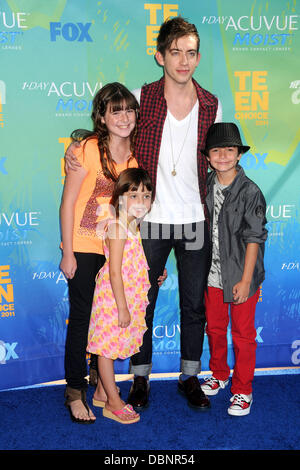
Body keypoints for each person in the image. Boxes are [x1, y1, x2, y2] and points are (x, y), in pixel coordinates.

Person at [65, 16, 222, 410]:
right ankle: (140, 379)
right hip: (147, 219)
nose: (183, 61)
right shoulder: (142, 96)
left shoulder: (211, 104)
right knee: (140, 302)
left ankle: (189, 376)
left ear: (198, 58)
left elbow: (220, 158)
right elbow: (111, 127)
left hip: (195, 218)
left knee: (194, 303)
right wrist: (78, 140)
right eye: (175, 53)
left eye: (190, 53)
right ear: (160, 56)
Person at [60, 82, 140, 423]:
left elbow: (130, 215)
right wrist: (67, 251)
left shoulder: (133, 158)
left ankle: (98, 386)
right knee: (81, 319)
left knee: (102, 321)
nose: (123, 117)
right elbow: (67, 202)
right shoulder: (84, 149)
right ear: (102, 117)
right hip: (82, 244)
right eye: (115, 110)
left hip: (114, 249)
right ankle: (74, 392)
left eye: (128, 110)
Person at [200, 122, 268, 416]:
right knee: (214, 328)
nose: (223, 156)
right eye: (217, 150)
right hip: (210, 275)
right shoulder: (203, 184)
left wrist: (246, 279)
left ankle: (243, 390)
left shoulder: (251, 191)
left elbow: (254, 238)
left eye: (230, 150)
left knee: (242, 335)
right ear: (207, 156)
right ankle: (219, 373)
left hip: (242, 275)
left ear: (239, 154)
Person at [87, 168, 153, 424]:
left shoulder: (133, 225)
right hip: (114, 298)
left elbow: (131, 260)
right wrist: (122, 307)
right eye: (134, 195)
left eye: (146, 196)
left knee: (112, 345)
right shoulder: (117, 227)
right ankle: (113, 402)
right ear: (120, 197)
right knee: (105, 348)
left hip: (127, 295)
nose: (141, 202)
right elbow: (115, 271)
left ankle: (102, 392)